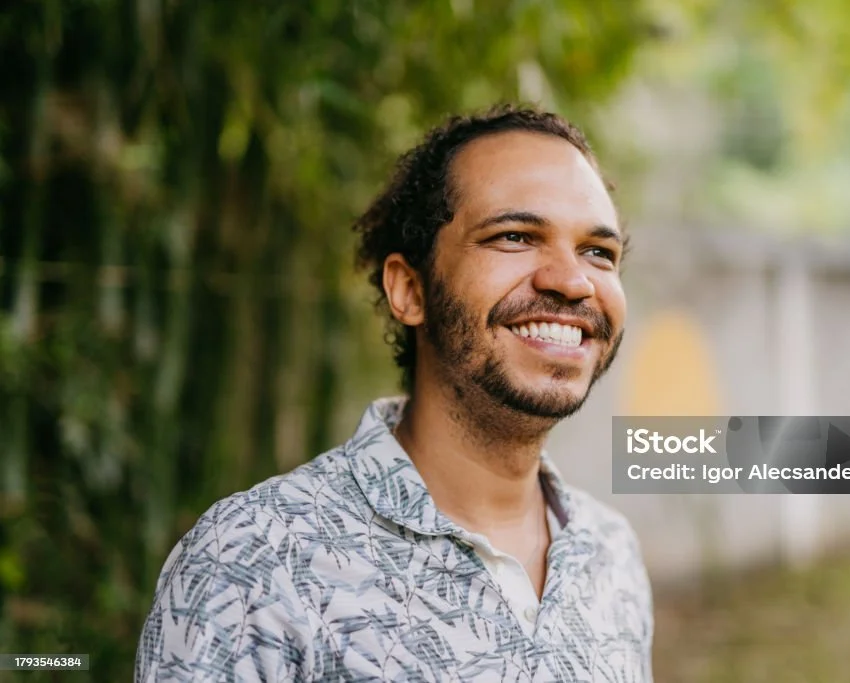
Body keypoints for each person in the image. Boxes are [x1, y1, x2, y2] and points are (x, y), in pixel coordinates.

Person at [135, 104, 653, 682]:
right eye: (514, 237)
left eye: (598, 252)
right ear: (410, 289)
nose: (573, 280)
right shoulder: (256, 558)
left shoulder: (610, 553)